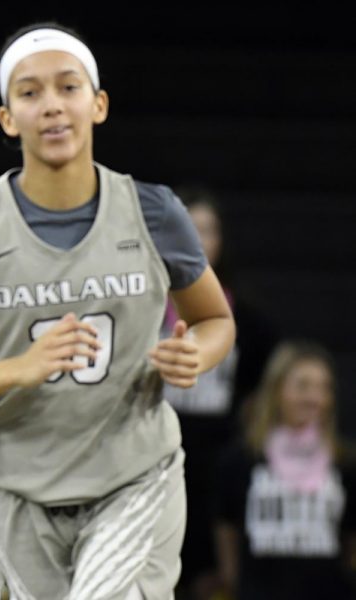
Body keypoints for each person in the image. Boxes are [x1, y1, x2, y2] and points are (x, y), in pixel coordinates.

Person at [0, 22, 236, 599]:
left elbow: (216, 320)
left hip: (134, 477)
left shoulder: (153, 213)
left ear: (97, 105)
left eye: (68, 88)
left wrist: (194, 353)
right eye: (30, 92)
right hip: (23, 489)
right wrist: (17, 370)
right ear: (7, 117)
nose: (51, 105)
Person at [161, 186, 278, 599]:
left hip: (216, 459)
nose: (197, 238)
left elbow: (264, 385)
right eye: (187, 228)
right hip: (156, 453)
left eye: (207, 229)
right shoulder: (141, 306)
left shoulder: (245, 317)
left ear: (220, 240)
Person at [214, 341, 356, 599]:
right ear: (276, 390)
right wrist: (234, 584)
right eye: (303, 386)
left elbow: (350, 539)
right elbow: (226, 528)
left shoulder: (344, 461)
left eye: (324, 388)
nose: (315, 398)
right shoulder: (241, 459)